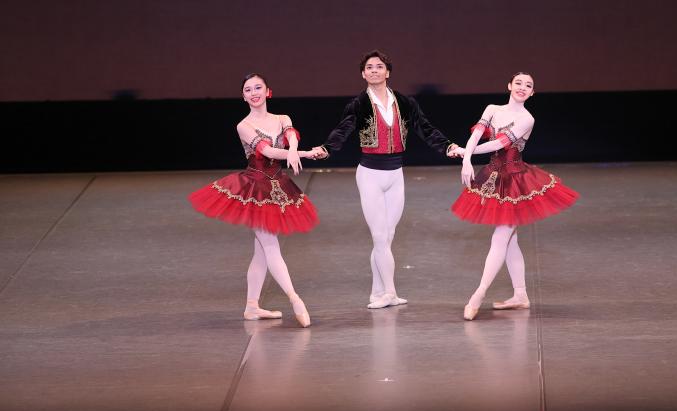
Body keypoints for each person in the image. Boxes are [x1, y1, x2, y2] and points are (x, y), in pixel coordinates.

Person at [308, 50, 460, 309]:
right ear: (363, 74)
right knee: (379, 237)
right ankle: (390, 292)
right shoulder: (358, 104)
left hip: (396, 174)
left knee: (387, 237)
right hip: (370, 175)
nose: (374, 70)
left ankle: (377, 292)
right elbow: (343, 130)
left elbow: (425, 128)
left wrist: (448, 146)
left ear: (387, 72)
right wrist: (326, 148)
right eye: (369, 67)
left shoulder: (405, 102)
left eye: (379, 66)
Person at [188, 74, 317, 327]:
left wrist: (294, 150)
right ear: (243, 96)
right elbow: (267, 151)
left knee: (261, 252)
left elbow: (290, 134)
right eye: (248, 90)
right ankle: (295, 299)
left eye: (258, 87)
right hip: (254, 189)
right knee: (270, 246)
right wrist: (305, 154)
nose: (254, 93)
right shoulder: (243, 126)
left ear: (268, 91)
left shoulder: (282, 118)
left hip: (278, 185)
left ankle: (252, 306)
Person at [451, 72, 579, 320]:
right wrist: (466, 160)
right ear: (509, 85)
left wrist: (465, 152)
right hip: (493, 175)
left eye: (528, 85)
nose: (522, 87)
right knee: (510, 241)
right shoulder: (492, 109)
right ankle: (520, 296)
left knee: (501, 237)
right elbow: (477, 134)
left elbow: (499, 144)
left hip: (516, 182)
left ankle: (478, 294)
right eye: (518, 83)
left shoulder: (527, 119)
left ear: (532, 93)